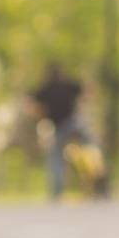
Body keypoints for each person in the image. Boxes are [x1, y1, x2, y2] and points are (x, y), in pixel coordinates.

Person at [32, 64, 92, 200]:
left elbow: (32, 104)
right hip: (74, 123)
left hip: (59, 126)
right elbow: (87, 90)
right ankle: (101, 185)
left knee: (55, 158)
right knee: (91, 148)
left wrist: (43, 114)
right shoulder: (68, 84)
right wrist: (83, 105)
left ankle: (56, 193)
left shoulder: (45, 88)